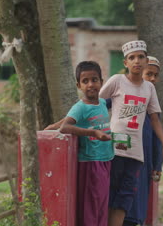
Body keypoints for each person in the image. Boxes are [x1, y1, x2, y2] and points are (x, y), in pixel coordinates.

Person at [99, 40, 163, 226]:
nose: (137, 61)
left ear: (146, 60)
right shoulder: (117, 83)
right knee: (112, 191)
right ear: (125, 63)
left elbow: (155, 120)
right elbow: (96, 104)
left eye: (141, 57)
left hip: (138, 154)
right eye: (132, 58)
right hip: (115, 150)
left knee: (128, 196)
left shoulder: (149, 90)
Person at [49, 61, 113, 226]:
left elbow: (63, 122)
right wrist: (93, 133)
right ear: (78, 85)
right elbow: (66, 127)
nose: (91, 84)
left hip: (105, 160)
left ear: (101, 81)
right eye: (85, 81)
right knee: (91, 207)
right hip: (91, 163)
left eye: (94, 80)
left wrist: (53, 125)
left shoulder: (103, 103)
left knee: (101, 205)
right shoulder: (81, 107)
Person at [122, 56, 163, 226]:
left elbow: (156, 137)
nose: (152, 78)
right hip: (124, 155)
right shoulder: (123, 92)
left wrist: (157, 165)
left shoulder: (152, 101)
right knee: (124, 199)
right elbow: (99, 105)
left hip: (145, 160)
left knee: (138, 203)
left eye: (155, 75)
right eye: (149, 74)